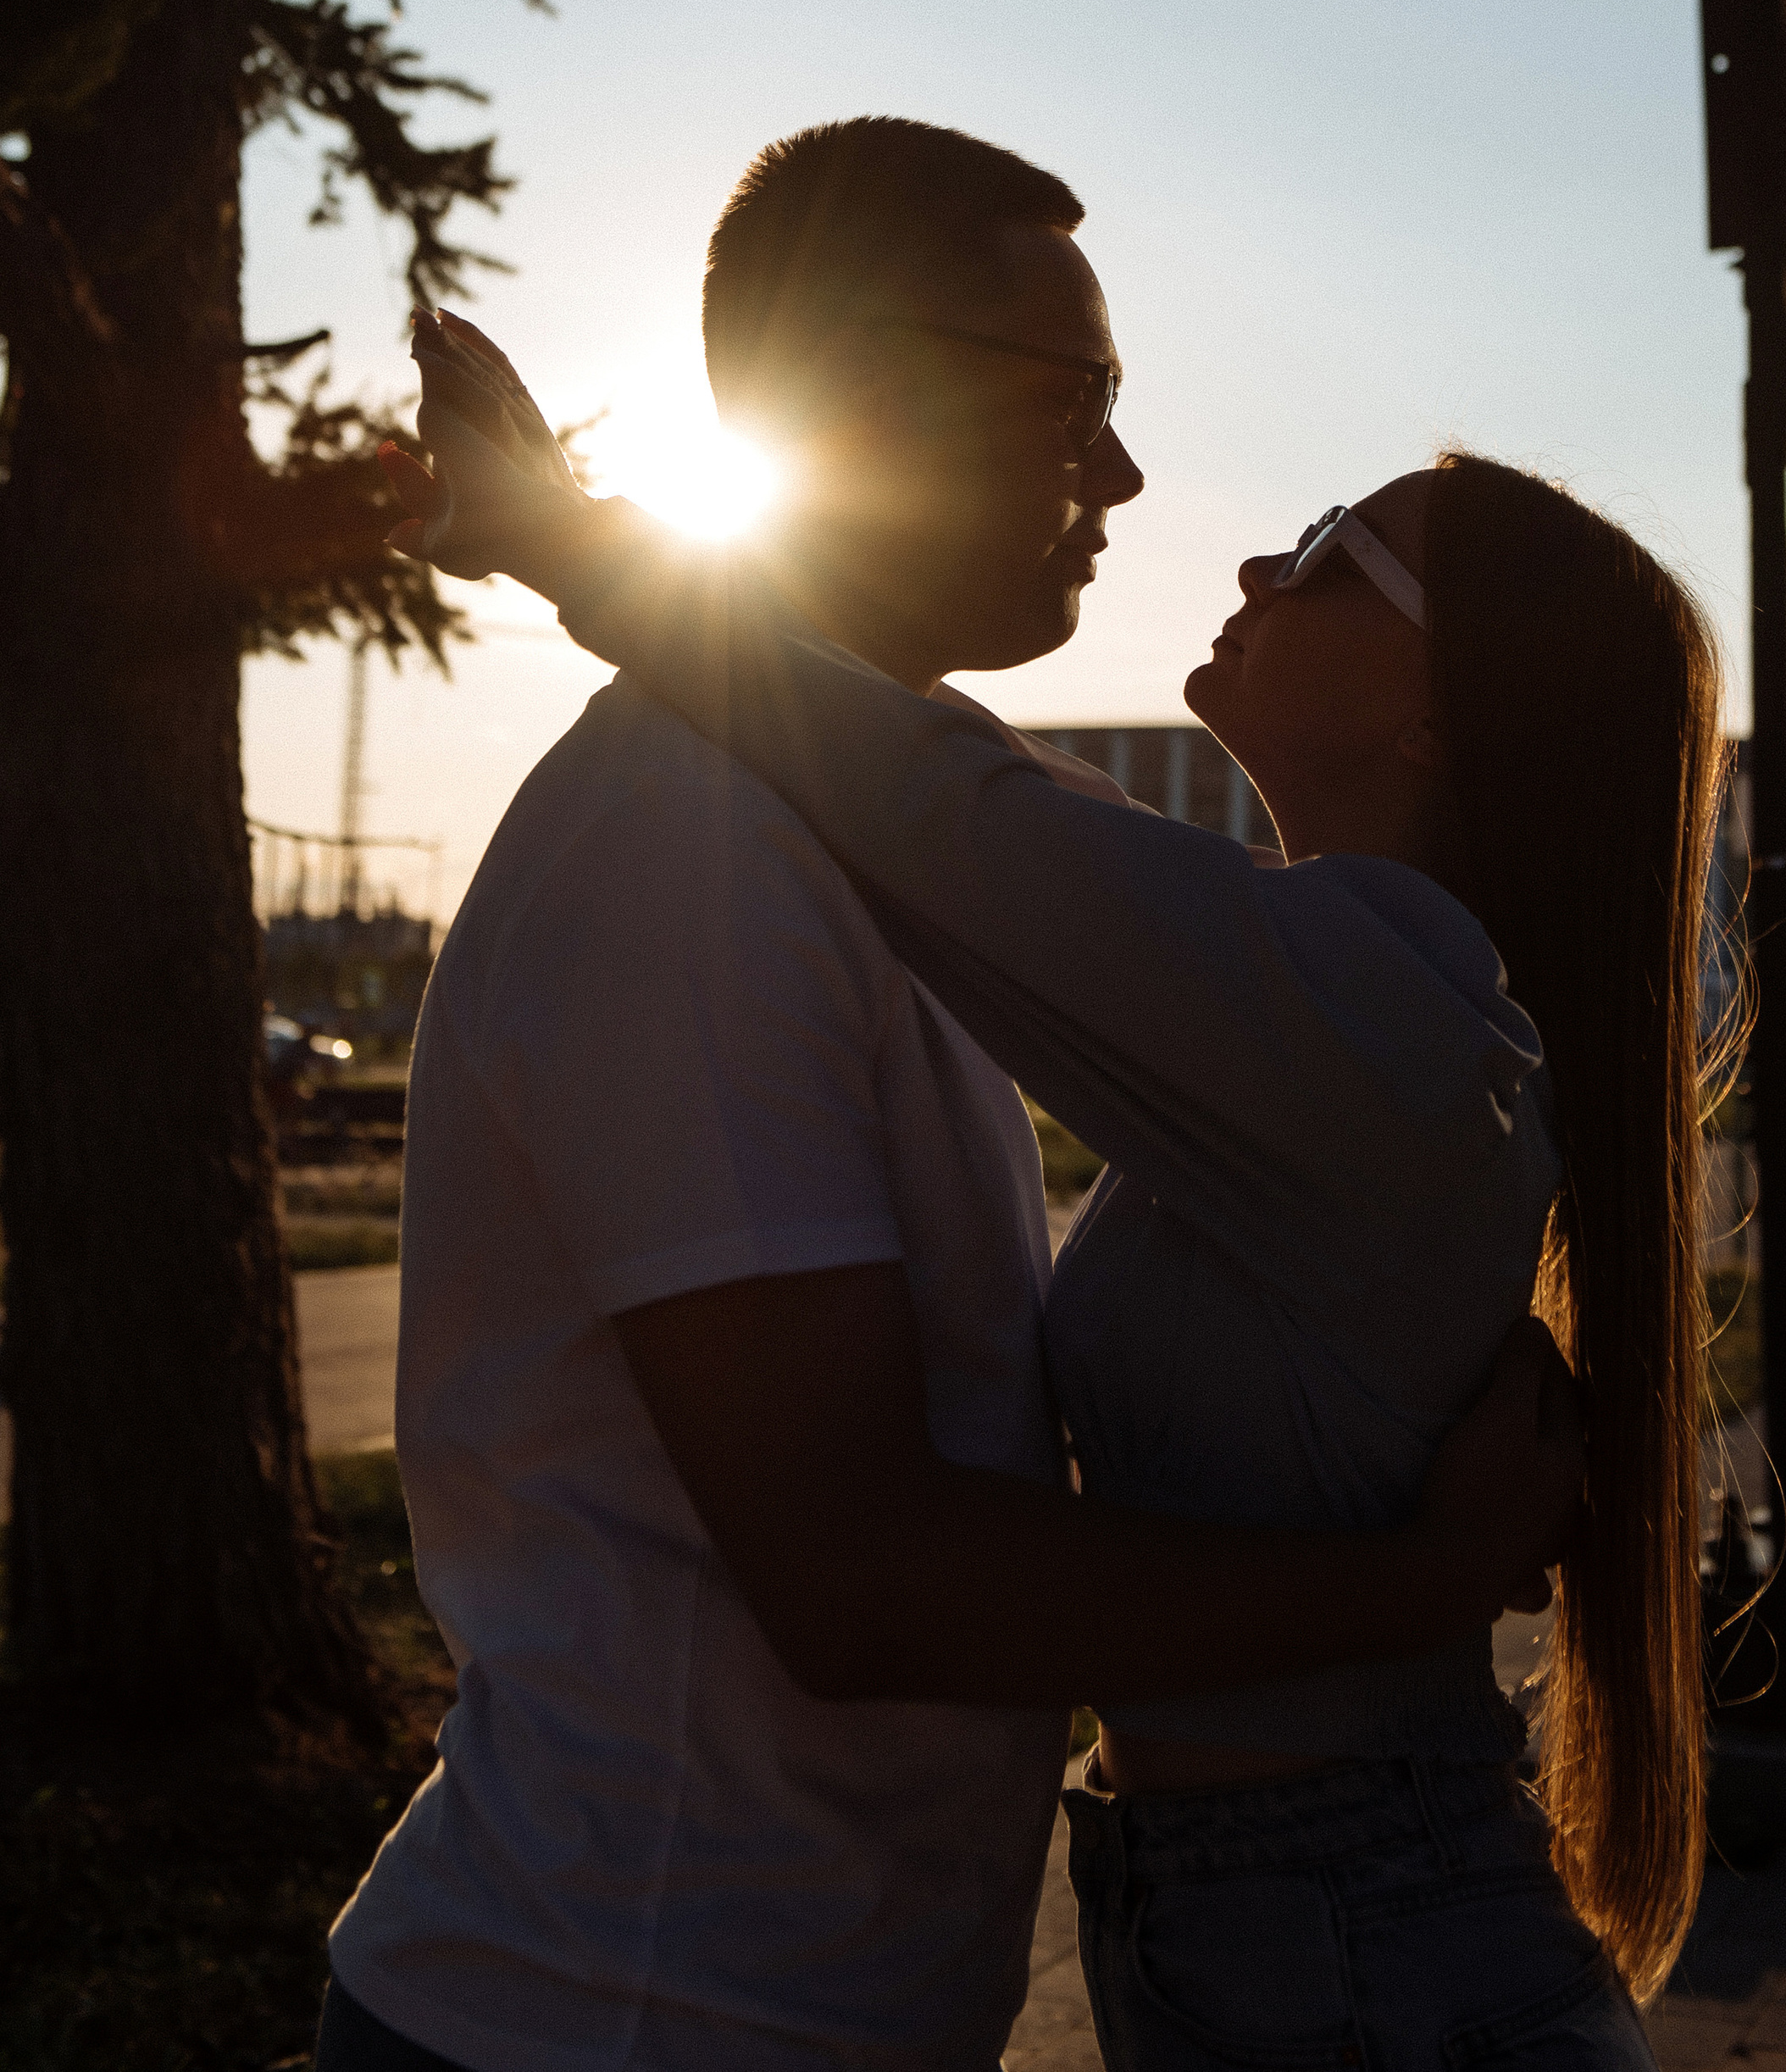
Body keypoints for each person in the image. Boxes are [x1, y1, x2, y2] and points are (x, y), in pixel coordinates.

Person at [322, 119, 1584, 2072]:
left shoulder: (915, 834)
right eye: (1074, 399)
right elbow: (859, 1580)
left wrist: (574, 540)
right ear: (867, 393)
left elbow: (989, 828)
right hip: (627, 2016)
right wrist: (1402, 1588)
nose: (1134, 476)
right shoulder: (700, 839)